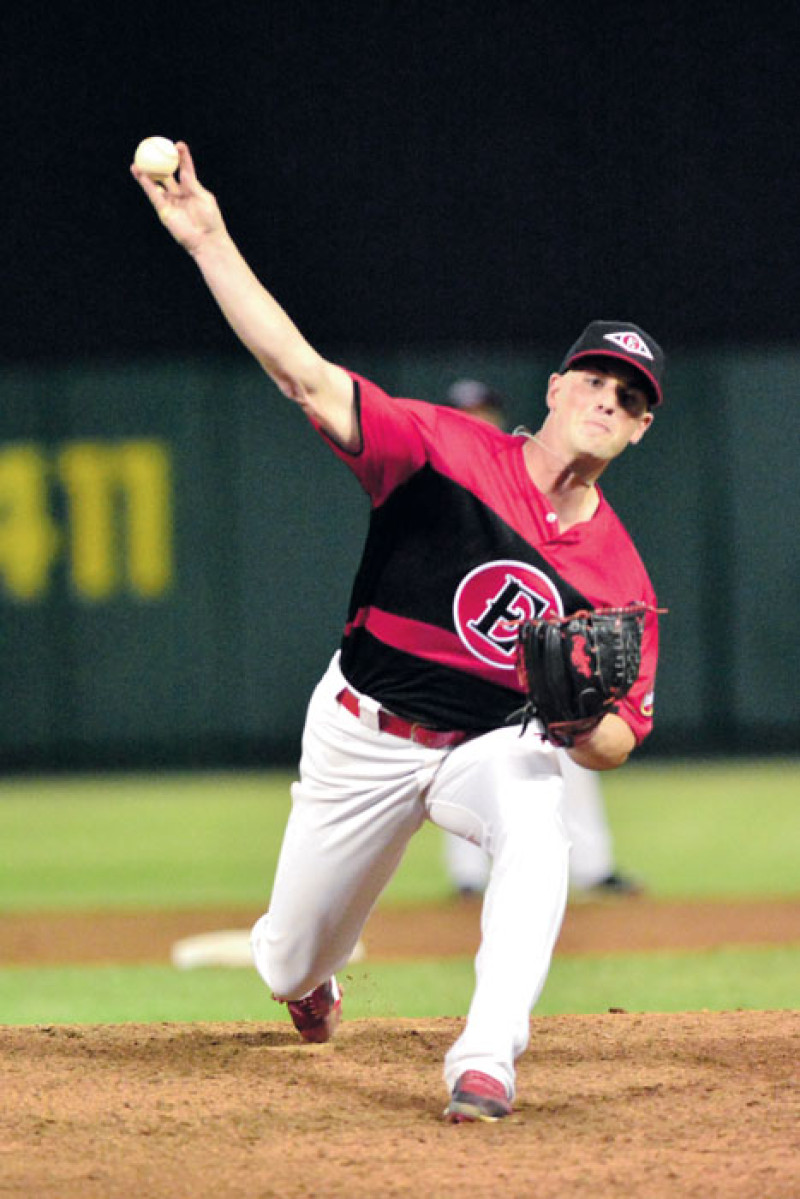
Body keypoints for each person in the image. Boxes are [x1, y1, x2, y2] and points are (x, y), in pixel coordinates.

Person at [132, 142, 663, 1125]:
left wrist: (575, 718)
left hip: (486, 743)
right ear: (554, 387)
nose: (607, 400)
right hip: (359, 731)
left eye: (629, 400)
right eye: (595, 379)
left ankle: (485, 1055)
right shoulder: (440, 450)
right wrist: (206, 237)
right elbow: (299, 371)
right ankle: (308, 975)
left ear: (637, 432)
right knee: (290, 952)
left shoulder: (615, 576)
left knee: (539, 827)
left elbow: (618, 738)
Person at [443, 380, 644, 900]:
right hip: (469, 646)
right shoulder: (443, 473)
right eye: (465, 411)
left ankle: (594, 867)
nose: (475, 418)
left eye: (483, 410)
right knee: (456, 757)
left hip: (538, 644)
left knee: (572, 739)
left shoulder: (528, 471)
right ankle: (468, 877)